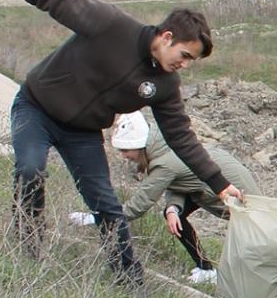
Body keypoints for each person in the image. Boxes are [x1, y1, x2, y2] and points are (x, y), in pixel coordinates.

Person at [0, 0, 238, 285]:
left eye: (191, 61)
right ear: (167, 37)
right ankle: (29, 249)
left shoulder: (165, 85)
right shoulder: (110, 25)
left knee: (106, 204)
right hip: (36, 108)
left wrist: (219, 184)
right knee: (30, 168)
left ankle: (130, 281)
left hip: (83, 132)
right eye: (185, 55)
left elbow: (181, 138)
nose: (185, 65)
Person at [108, 111, 260, 286]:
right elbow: (181, 181)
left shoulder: (164, 163)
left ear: (139, 146)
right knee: (175, 216)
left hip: (235, 190)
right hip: (213, 184)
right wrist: (173, 209)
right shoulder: (165, 142)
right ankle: (206, 270)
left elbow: (139, 205)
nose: (123, 155)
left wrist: (102, 217)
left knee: (252, 238)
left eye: (125, 150)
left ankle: (244, 283)